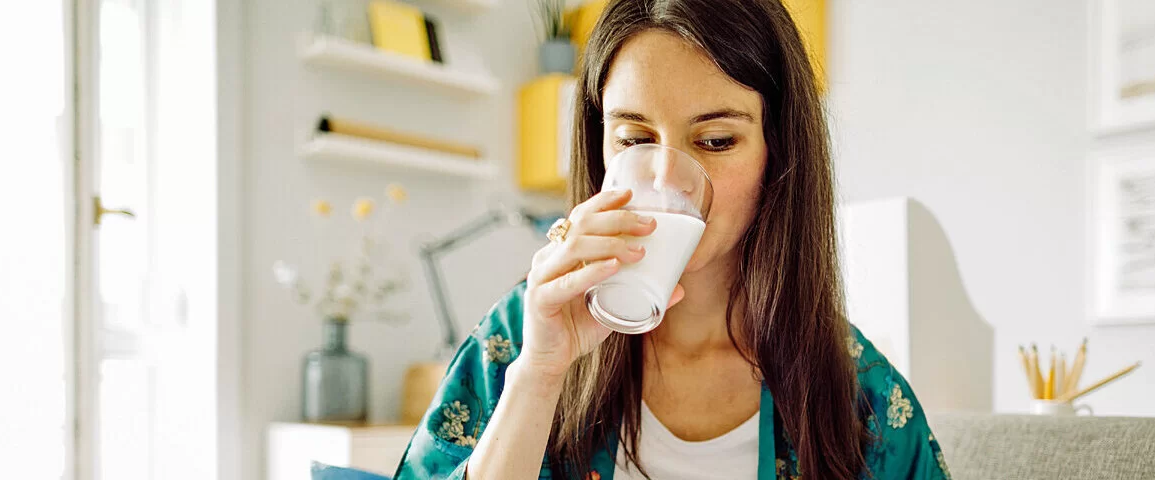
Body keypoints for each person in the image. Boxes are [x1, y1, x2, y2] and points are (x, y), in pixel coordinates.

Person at [394, 0, 951, 478]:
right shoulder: (524, 337)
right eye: (634, 139)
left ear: (778, 153)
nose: (664, 181)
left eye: (713, 140)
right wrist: (538, 377)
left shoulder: (861, 398)